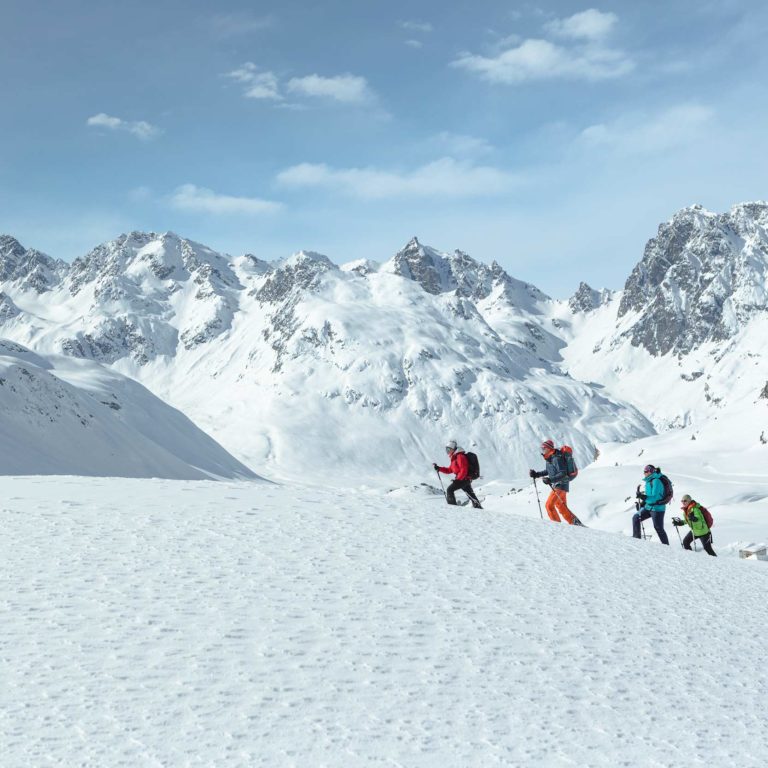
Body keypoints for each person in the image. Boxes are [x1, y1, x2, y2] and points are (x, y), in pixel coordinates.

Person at [528, 439, 582, 525]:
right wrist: (536, 474)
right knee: (561, 506)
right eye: (542, 448)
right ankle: (574, 522)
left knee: (549, 505)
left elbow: (562, 473)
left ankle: (556, 526)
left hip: (561, 484)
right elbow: (548, 471)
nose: (542, 450)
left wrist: (550, 480)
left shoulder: (556, 458)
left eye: (544, 448)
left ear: (549, 449)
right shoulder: (550, 458)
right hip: (559, 485)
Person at [433, 440, 482, 509]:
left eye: (449, 449)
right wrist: (439, 468)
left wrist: (458, 480)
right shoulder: (454, 458)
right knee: (470, 495)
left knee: (450, 490)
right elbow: (449, 470)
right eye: (446, 450)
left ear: (453, 449)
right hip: (464, 479)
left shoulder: (460, 456)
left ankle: (453, 508)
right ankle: (478, 508)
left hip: (463, 479)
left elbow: (463, 470)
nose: (447, 451)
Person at [632, 465, 669, 545]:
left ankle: (667, 546)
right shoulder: (649, 481)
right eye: (644, 471)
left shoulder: (656, 481)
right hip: (649, 507)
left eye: (646, 471)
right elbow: (649, 496)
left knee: (658, 528)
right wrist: (642, 504)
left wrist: (642, 497)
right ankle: (636, 539)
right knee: (636, 518)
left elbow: (655, 498)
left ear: (651, 471)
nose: (644, 473)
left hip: (657, 509)